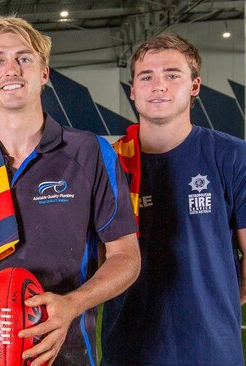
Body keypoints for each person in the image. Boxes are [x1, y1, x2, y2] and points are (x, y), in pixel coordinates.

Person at [0, 16, 141, 366]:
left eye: (24, 58)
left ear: (44, 72)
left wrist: (74, 304)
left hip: (67, 353)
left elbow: (126, 256)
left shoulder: (89, 151)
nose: (11, 69)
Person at [101, 34, 246, 366]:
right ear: (133, 90)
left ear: (194, 86)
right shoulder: (109, 163)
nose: (159, 85)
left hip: (211, 353)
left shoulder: (232, 156)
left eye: (172, 74)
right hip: (128, 351)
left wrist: (216, 304)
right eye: (147, 76)